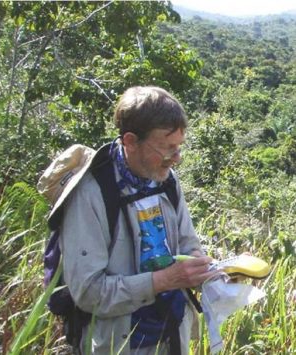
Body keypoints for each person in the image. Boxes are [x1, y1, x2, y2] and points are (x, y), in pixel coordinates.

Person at [59, 86, 218, 354]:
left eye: (179, 148)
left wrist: (209, 269)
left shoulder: (165, 180)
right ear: (131, 141)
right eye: (167, 149)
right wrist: (165, 280)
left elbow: (187, 243)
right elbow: (88, 293)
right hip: (118, 342)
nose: (176, 159)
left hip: (171, 333)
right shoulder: (91, 194)